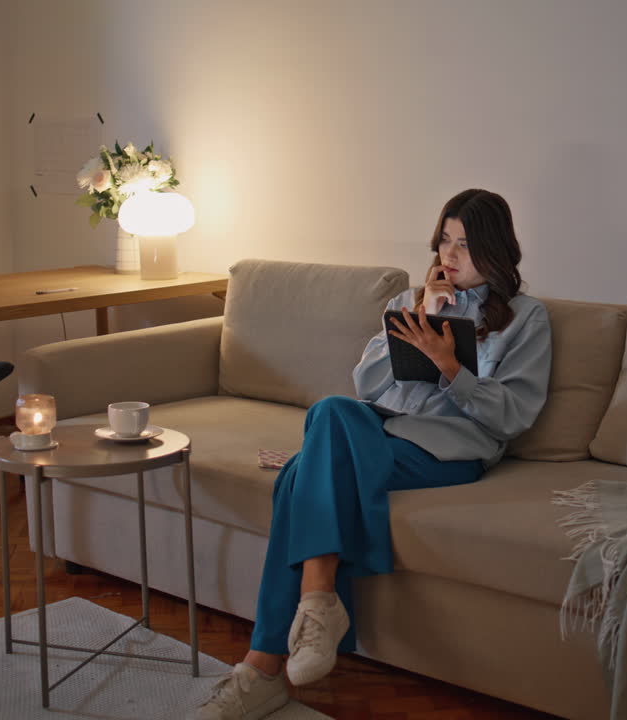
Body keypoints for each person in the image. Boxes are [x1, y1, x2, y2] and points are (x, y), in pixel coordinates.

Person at [194, 189, 553, 720]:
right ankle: (316, 609)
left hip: (448, 452)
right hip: (379, 434)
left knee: (299, 474)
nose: (451, 256)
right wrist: (422, 319)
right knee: (334, 410)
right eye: (445, 242)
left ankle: (264, 665)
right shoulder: (404, 303)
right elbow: (365, 385)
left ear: (496, 250)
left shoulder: (526, 319)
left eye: (466, 245)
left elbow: (513, 417)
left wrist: (452, 369)